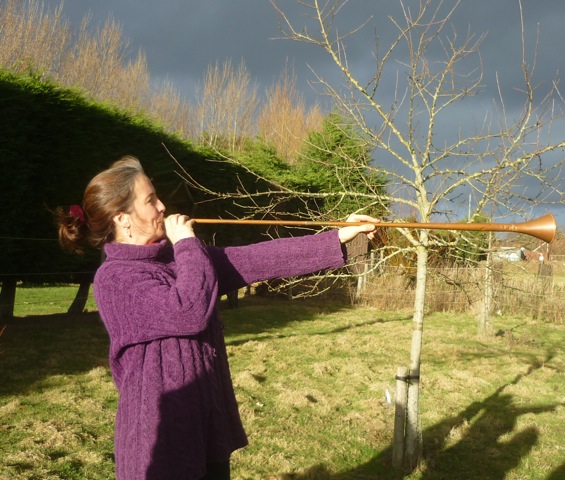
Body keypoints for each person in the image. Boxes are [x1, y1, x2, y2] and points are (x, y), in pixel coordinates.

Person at [56, 155, 378, 480]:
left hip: (205, 427)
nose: (163, 206)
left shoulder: (178, 257)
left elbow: (256, 259)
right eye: (151, 200)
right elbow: (187, 311)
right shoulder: (116, 278)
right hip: (160, 443)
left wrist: (337, 237)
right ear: (123, 218)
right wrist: (186, 244)